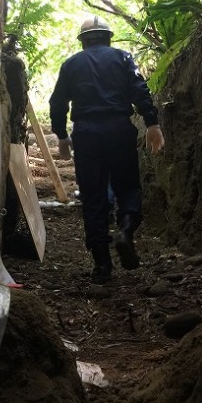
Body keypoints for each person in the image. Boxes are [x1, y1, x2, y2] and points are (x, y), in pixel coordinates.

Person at [49, 15, 165, 284]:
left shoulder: (71, 64)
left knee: (93, 195)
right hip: (118, 129)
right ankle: (125, 231)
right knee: (128, 187)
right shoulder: (123, 58)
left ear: (83, 41)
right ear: (108, 37)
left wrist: (62, 136)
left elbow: (58, 103)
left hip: (86, 133)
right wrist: (152, 123)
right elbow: (140, 90)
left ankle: (102, 265)